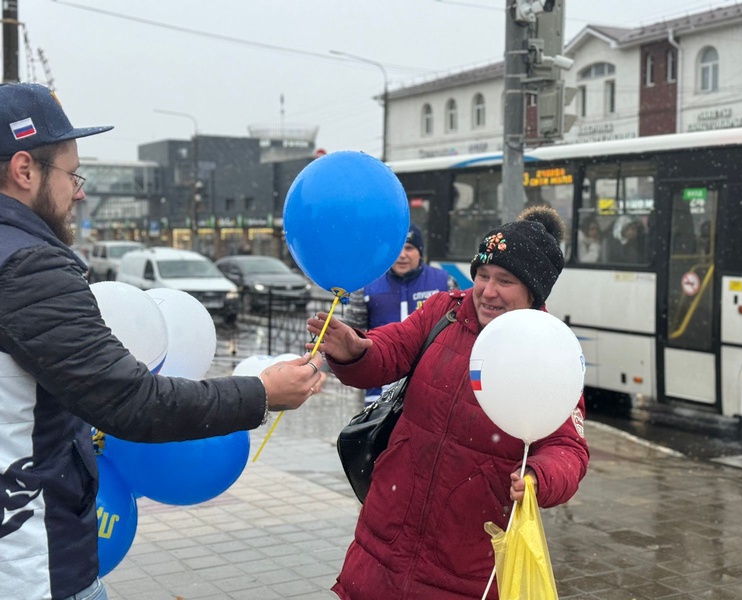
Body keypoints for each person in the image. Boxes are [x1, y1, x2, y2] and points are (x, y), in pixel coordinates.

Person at [0, 82, 325, 600]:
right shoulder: (28, 268)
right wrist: (262, 392)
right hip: (29, 567)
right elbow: (132, 403)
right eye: (72, 174)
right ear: (24, 170)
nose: (78, 192)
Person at [308, 206, 589, 600]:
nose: (487, 291)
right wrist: (357, 350)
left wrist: (539, 478)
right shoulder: (444, 311)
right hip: (384, 539)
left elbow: (567, 448)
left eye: (504, 281)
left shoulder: (549, 352)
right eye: (483, 275)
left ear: (533, 291)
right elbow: (392, 348)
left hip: (467, 562)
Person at [343, 223, 457, 404]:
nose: (402, 255)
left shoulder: (444, 282)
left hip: (432, 384)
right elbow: (349, 332)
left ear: (420, 252)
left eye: (409, 248)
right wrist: (325, 367)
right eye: (397, 249)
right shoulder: (367, 285)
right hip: (379, 388)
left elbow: (458, 334)